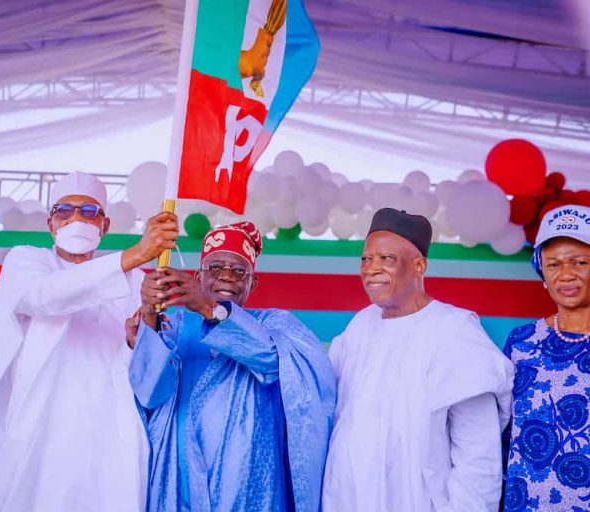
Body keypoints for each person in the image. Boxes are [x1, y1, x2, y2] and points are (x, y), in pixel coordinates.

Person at [0, 171, 179, 512]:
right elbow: (43, 297)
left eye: (88, 212)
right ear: (50, 224)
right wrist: (138, 252)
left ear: (105, 224)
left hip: (110, 440)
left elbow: (141, 373)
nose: (76, 219)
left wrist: (136, 340)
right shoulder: (28, 261)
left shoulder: (136, 281)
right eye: (64, 211)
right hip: (41, 432)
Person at [128, 221, 337, 512]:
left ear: (253, 283)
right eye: (215, 268)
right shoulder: (175, 327)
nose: (226, 276)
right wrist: (150, 315)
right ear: (198, 276)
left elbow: (274, 361)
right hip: (180, 483)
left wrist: (209, 309)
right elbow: (150, 392)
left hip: (250, 486)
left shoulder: (274, 324)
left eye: (239, 271)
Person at [322, 208, 514, 512]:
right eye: (366, 259)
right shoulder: (359, 327)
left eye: (386, 258)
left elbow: (478, 454)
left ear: (419, 266)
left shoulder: (456, 331)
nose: (371, 269)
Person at [502, 204, 590, 511]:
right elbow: (500, 432)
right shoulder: (521, 343)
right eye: (553, 264)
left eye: (579, 262)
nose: (565, 275)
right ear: (542, 272)